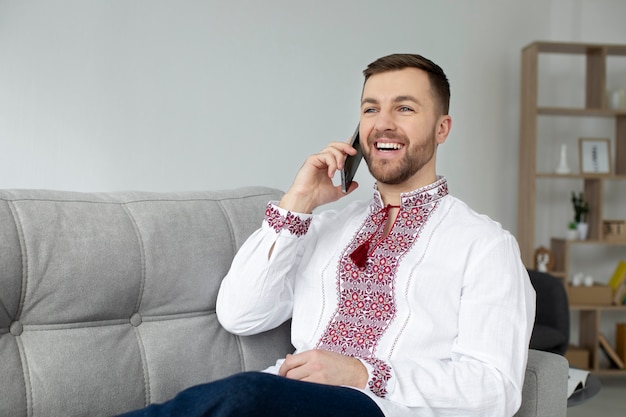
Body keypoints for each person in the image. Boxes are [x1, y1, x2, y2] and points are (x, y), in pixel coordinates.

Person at [118, 53, 535, 417]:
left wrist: (361, 373)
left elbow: (494, 390)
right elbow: (240, 315)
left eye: (404, 109)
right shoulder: (327, 227)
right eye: (370, 110)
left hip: (387, 409)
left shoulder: (484, 246)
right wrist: (298, 202)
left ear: (442, 128)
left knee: (243, 394)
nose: (382, 125)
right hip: (288, 397)